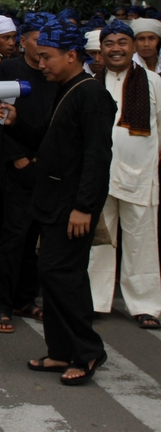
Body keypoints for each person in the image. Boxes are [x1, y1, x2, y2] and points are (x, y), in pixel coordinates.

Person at [0, 19, 115, 385]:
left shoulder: (90, 94)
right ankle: (60, 351)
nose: (41, 64)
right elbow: (49, 143)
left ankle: (87, 351)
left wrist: (84, 207)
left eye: (47, 57)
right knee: (52, 277)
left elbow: (97, 157)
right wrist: (16, 124)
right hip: (53, 201)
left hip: (72, 205)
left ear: (71, 55)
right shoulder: (67, 88)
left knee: (64, 277)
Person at [0, 12, 58, 333]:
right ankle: (1, 304)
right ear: (23, 40)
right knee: (13, 238)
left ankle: (25, 298)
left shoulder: (56, 74)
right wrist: (15, 156)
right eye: (36, 39)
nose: (41, 47)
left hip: (49, 170)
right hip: (17, 169)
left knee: (35, 239)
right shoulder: (8, 69)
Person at [88, 20, 161, 329]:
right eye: (109, 43)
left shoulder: (155, 82)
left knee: (141, 241)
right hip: (98, 173)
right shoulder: (91, 82)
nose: (116, 48)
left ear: (132, 47)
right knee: (98, 241)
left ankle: (145, 306)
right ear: (100, 50)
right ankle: (93, 301)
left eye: (122, 42)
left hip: (140, 175)